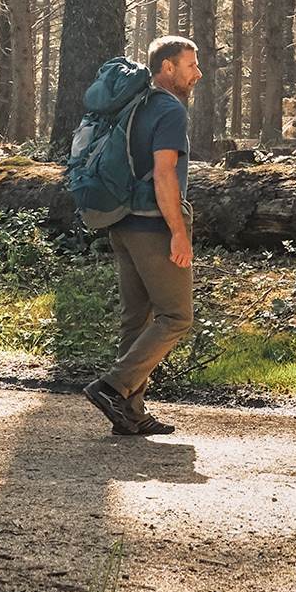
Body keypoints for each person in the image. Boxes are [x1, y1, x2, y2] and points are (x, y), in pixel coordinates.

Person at [85, 36, 199, 436]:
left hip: (122, 222)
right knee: (177, 316)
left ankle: (129, 413)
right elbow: (165, 175)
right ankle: (113, 386)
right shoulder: (168, 109)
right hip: (153, 225)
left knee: (136, 319)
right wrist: (178, 233)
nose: (197, 73)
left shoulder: (133, 106)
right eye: (190, 65)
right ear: (167, 67)